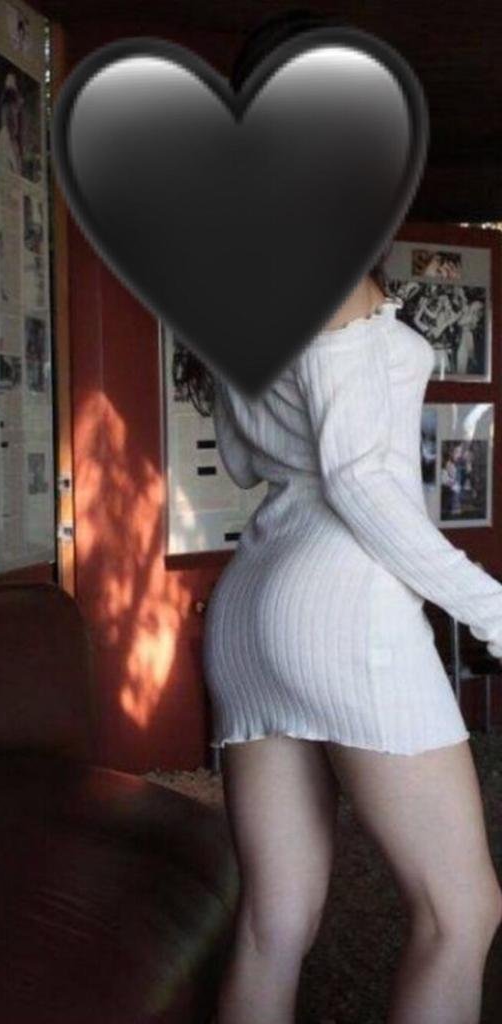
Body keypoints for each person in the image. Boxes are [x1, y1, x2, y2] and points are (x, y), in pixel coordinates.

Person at [198, 9, 502, 1024]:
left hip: (251, 606)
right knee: (462, 912)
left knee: (271, 925)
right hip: (340, 596)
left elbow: (246, 456)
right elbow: (365, 483)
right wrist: (492, 609)